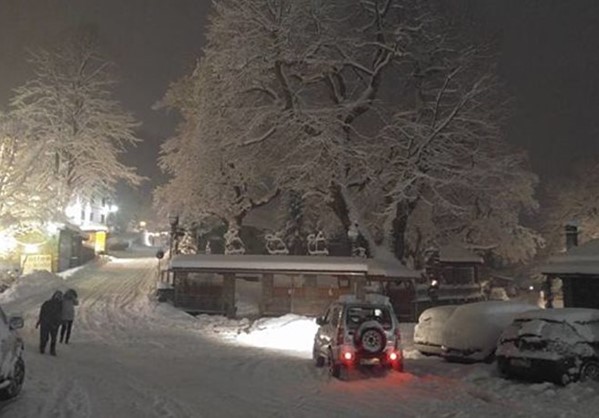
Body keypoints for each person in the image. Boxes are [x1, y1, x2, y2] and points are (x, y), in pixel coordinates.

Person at [36, 290, 63, 355]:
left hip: (48, 323)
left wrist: (39, 321)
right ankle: (50, 350)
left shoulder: (48, 303)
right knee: (50, 337)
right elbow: (42, 313)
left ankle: (44, 348)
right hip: (50, 323)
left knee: (46, 337)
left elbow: (41, 313)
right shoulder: (58, 305)